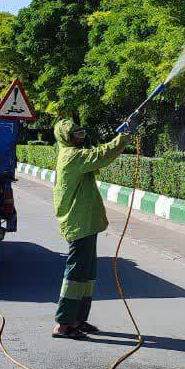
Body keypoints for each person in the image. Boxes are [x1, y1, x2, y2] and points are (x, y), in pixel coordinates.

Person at [50, 118, 133, 339]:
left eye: (82, 132)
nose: (81, 136)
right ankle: (62, 324)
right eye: (77, 133)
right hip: (79, 223)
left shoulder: (73, 154)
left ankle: (77, 320)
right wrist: (123, 137)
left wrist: (121, 136)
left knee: (87, 275)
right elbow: (101, 155)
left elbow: (96, 153)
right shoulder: (72, 156)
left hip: (85, 222)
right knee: (76, 274)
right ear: (67, 137)